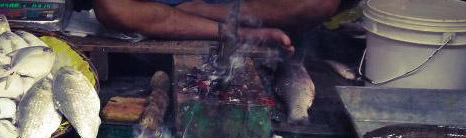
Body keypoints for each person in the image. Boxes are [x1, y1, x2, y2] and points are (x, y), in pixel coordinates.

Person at [93, 0, 342, 49]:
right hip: (159, 5)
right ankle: (237, 32)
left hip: (238, 4)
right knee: (110, 6)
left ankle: (200, 10)